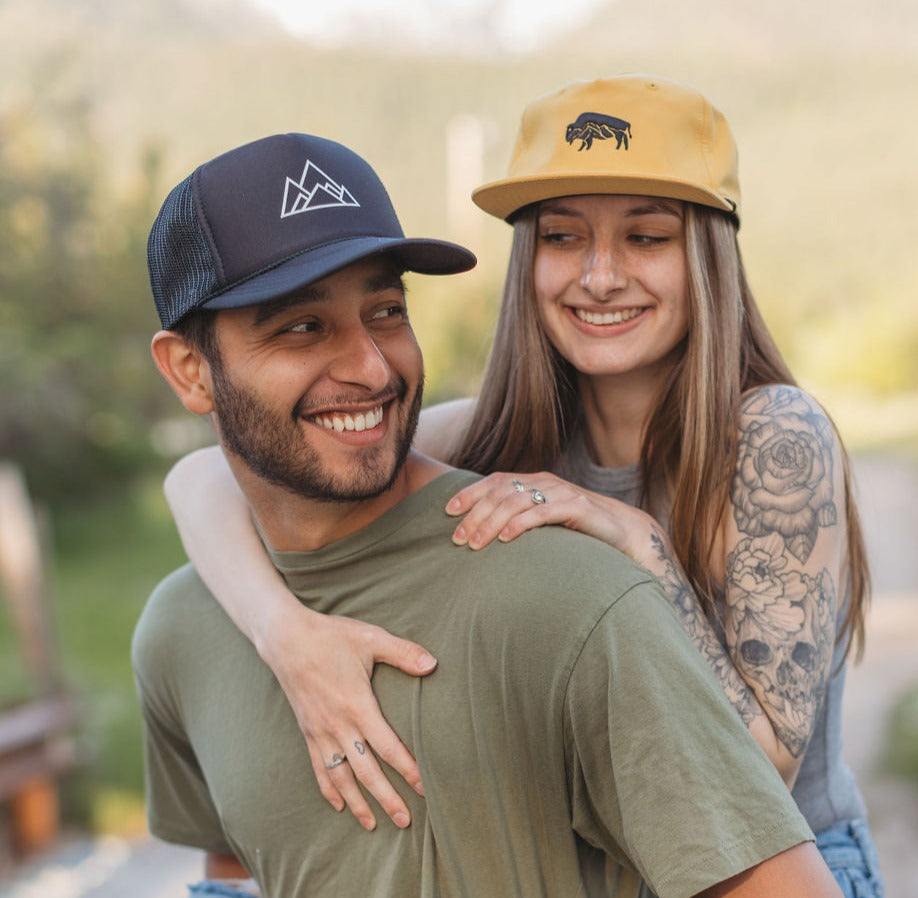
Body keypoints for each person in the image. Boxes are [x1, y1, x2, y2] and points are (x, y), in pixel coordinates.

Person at [163, 78, 882, 896]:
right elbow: (206, 474)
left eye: (646, 237)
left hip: (787, 864)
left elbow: (762, 773)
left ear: (708, 256)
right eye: (564, 237)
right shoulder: (507, 426)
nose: (600, 276)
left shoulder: (772, 435)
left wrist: (639, 543)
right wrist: (285, 635)